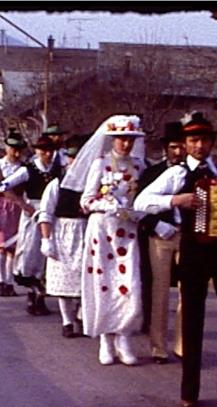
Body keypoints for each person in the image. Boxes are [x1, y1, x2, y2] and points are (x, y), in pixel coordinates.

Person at [134, 111, 217, 407]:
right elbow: (140, 202)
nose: (199, 146)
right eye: (193, 141)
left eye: (204, 140)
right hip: (192, 250)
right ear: (185, 144)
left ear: (212, 142)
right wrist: (175, 200)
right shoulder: (177, 174)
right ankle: (189, 392)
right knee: (193, 319)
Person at [73, 114, 146, 366]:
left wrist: (137, 211)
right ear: (112, 139)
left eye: (130, 140)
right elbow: (86, 200)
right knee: (103, 282)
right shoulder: (100, 164)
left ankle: (124, 337)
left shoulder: (139, 166)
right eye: (121, 139)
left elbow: (143, 198)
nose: (126, 144)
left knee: (129, 282)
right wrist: (108, 205)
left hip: (127, 233)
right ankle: (105, 337)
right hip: (103, 231)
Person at [137, 121, 186, 364]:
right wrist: (156, 224)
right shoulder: (151, 174)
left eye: (182, 147)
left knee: (188, 291)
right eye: (174, 147)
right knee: (160, 291)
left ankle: (183, 345)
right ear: (166, 148)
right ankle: (158, 347)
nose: (178, 152)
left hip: (187, 236)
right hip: (160, 237)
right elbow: (138, 208)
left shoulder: (192, 173)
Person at [0, 134, 63, 316]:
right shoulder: (28, 169)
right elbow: (3, 186)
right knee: (30, 252)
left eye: (50, 151)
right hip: (34, 212)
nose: (47, 154)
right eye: (43, 151)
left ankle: (41, 296)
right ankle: (31, 294)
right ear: (37, 151)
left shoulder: (58, 169)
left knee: (48, 254)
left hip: (52, 213)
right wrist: (23, 204)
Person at [38, 135, 89, 337]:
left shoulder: (92, 183)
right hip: (63, 233)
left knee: (85, 278)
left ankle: (82, 314)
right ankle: (67, 321)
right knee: (63, 278)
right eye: (72, 157)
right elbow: (45, 212)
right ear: (67, 159)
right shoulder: (56, 184)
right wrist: (46, 239)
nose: (75, 162)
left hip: (86, 232)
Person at [0, 132, 26, 296]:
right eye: (13, 149)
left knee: (13, 247)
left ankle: (9, 281)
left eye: (19, 149)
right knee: (1, 246)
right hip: (1, 208)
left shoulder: (24, 167)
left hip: (18, 208)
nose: (16, 153)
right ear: (7, 148)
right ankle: (0, 280)